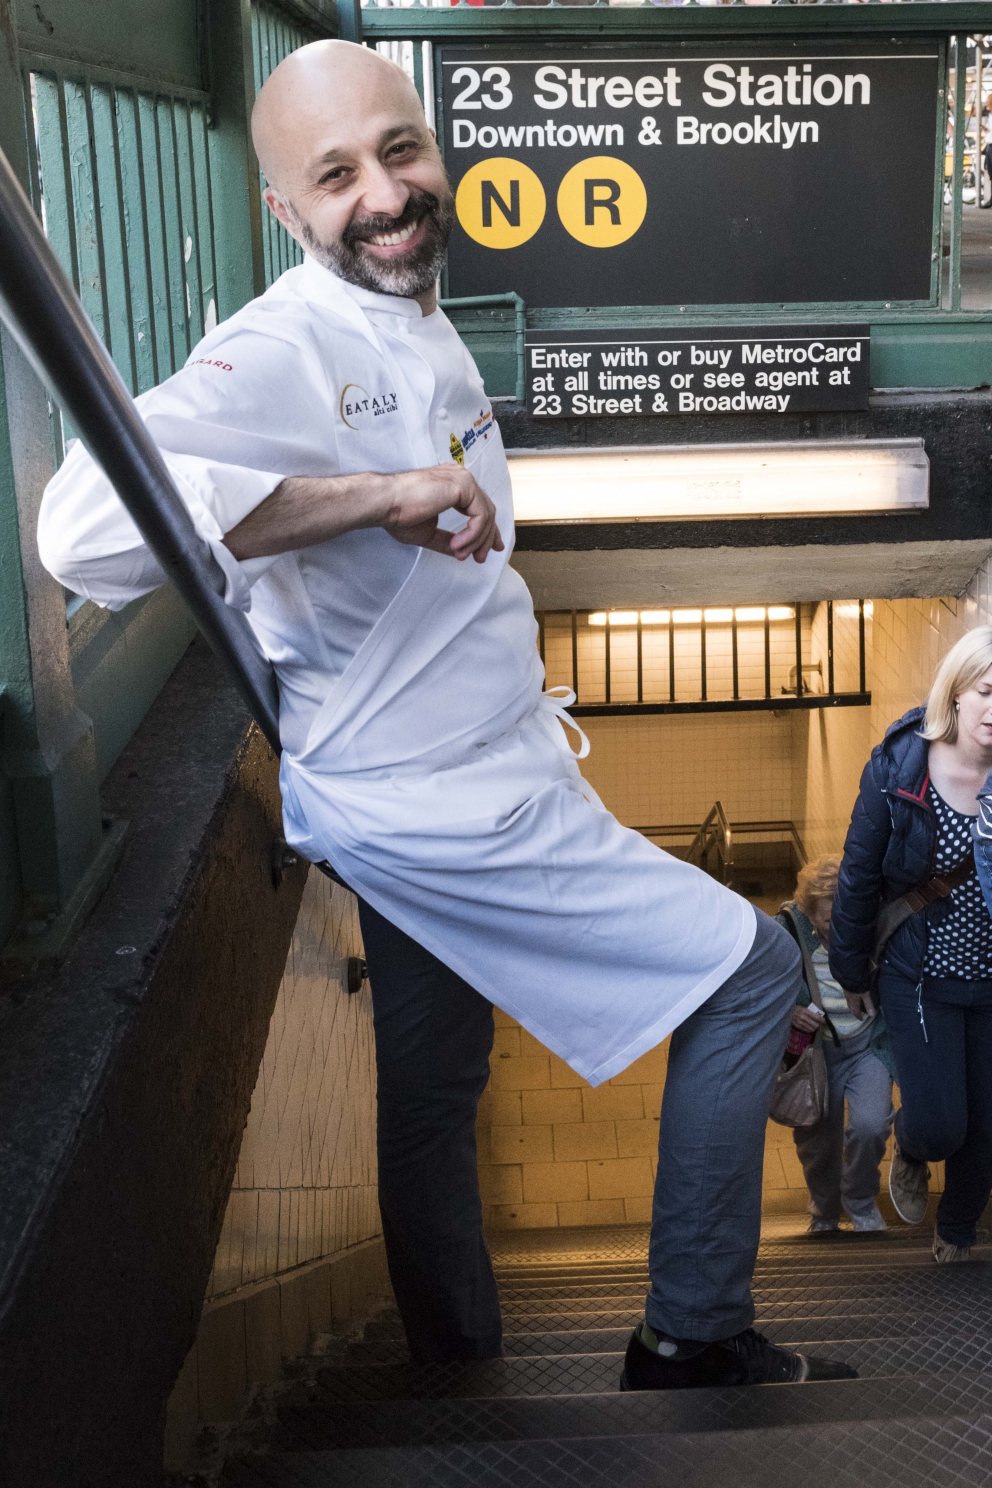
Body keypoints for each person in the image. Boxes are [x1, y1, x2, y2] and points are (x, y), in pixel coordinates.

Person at [37, 41, 854, 1390]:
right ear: (280, 210)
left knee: (433, 1079)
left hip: (459, 763)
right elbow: (81, 531)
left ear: (435, 147)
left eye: (399, 149)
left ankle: (453, 1363)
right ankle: (690, 1330)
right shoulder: (283, 348)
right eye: (335, 175)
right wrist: (375, 495)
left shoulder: (411, 307)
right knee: (753, 972)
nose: (384, 193)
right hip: (431, 798)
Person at [831, 627, 992, 1264]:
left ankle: (957, 1227)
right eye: (987, 691)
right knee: (941, 1123)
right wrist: (851, 971)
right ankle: (913, 1142)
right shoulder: (898, 768)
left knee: (987, 1125)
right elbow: (857, 875)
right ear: (956, 692)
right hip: (919, 978)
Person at [779, 856, 895, 1235]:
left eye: (847, 916)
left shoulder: (871, 921)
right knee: (817, 1140)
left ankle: (859, 1200)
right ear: (809, 914)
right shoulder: (787, 931)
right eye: (830, 921)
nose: (841, 928)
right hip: (816, 1052)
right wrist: (791, 1011)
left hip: (867, 1046)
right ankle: (825, 1208)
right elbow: (758, 985)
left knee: (870, 1126)